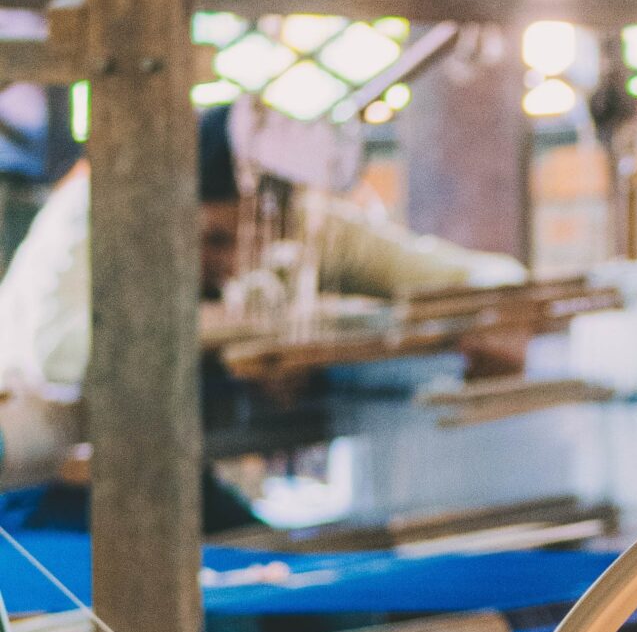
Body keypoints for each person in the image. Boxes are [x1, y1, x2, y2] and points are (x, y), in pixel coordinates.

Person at [0, 103, 526, 487]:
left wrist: (488, 315)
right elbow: (57, 353)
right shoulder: (98, 211)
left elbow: (481, 277)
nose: (232, 263)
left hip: (168, 472)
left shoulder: (305, 225)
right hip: (37, 469)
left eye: (254, 241)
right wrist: (238, 323)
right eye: (214, 240)